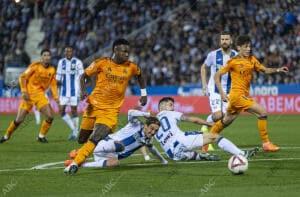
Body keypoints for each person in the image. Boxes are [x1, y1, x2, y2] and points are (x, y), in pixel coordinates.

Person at [64, 38, 147, 174]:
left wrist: (143, 94)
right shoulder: (101, 62)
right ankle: (84, 151)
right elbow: (83, 76)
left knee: (96, 137)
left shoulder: (131, 66)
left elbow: (140, 75)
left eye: (128, 52)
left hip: (110, 111)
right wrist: (83, 90)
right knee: (82, 139)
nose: (127, 54)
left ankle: (75, 164)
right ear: (115, 50)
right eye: (124, 51)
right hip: (93, 106)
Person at [211, 35, 289, 152]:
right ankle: (266, 143)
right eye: (245, 47)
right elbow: (216, 75)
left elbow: (265, 70)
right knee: (262, 112)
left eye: (249, 46)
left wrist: (278, 69)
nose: (248, 49)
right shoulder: (233, 62)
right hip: (237, 96)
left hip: (241, 97)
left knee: (226, 121)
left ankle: (205, 140)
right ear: (238, 47)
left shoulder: (252, 59)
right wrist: (222, 93)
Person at [155, 97, 259, 161]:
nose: (173, 108)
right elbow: (191, 119)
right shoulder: (170, 113)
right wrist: (208, 123)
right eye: (170, 105)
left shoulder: (152, 123)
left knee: (191, 152)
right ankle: (242, 154)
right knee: (214, 136)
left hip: (172, 154)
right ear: (162, 106)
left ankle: (200, 156)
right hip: (181, 141)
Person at [64, 110, 167, 168]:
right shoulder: (135, 124)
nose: (153, 132)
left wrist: (163, 161)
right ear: (145, 125)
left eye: (156, 131)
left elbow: (153, 150)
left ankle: (79, 164)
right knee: (119, 146)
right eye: (151, 128)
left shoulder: (148, 140)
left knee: (115, 163)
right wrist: (145, 114)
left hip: (110, 156)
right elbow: (130, 112)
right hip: (106, 144)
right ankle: (80, 152)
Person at [0, 49, 58, 143]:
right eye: (45, 55)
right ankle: (6, 136)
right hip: (28, 95)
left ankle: (41, 136)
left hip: (40, 95)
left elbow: (54, 84)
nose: (47, 57)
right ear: (41, 57)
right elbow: (23, 77)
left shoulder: (52, 70)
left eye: (48, 55)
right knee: (19, 120)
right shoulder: (35, 66)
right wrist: (24, 91)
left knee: (50, 116)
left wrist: (56, 98)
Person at [200, 31, 238, 151]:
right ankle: (208, 139)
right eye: (222, 39)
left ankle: (205, 127)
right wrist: (204, 84)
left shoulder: (236, 56)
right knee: (218, 115)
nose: (224, 41)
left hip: (229, 91)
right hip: (214, 89)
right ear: (220, 41)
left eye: (226, 39)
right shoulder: (213, 55)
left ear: (231, 41)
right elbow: (204, 67)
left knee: (226, 117)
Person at [56, 46, 84, 140]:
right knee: (61, 111)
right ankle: (74, 129)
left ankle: (75, 132)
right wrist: (55, 86)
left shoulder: (78, 62)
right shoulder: (61, 62)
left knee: (74, 111)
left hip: (74, 91)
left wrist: (81, 90)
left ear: (73, 52)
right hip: (63, 92)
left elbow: (82, 76)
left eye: (70, 51)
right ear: (64, 52)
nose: (68, 53)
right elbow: (58, 77)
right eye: (66, 51)